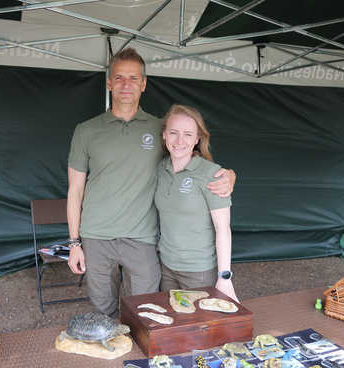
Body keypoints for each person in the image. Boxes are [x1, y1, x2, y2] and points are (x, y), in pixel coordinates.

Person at [66, 48, 235, 317]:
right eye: (119, 77)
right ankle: (111, 357)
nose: (126, 84)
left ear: (143, 84)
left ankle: (140, 358)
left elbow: (192, 156)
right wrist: (74, 243)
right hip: (96, 236)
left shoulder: (160, 129)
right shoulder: (86, 131)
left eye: (133, 78)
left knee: (144, 311)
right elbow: (74, 191)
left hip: (142, 238)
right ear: (108, 82)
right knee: (102, 311)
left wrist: (228, 175)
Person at [156, 104, 239, 302]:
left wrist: (224, 276)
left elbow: (223, 230)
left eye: (187, 134)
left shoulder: (213, 174)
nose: (179, 140)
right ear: (164, 135)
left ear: (197, 139)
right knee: (172, 324)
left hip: (198, 271)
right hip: (166, 267)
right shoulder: (161, 168)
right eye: (173, 132)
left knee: (198, 328)